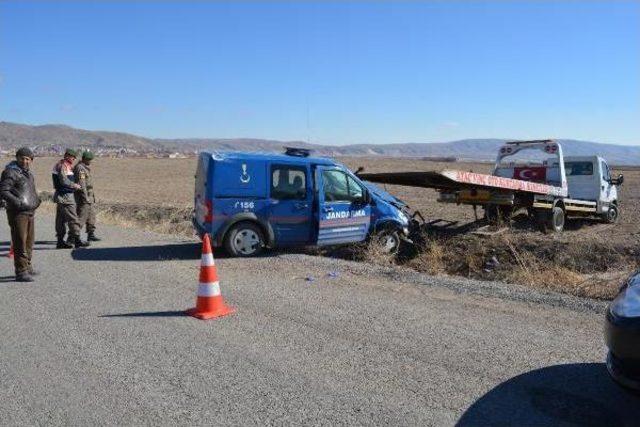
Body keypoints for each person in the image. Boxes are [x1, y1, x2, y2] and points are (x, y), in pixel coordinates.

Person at [0, 147, 41, 282]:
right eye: (22, 158)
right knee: (20, 242)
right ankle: (21, 271)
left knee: (29, 241)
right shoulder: (10, 172)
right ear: (17, 158)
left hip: (29, 211)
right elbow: (4, 191)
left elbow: (30, 190)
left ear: (31, 160)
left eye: (28, 159)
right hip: (18, 212)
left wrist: (36, 200)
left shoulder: (27, 174)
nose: (25, 161)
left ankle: (27, 266)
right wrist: (18, 203)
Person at [52, 149, 89, 249]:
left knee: (60, 220)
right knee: (73, 218)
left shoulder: (63, 164)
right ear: (67, 156)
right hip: (66, 196)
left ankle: (60, 241)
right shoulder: (63, 166)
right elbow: (63, 180)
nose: (74, 159)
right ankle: (77, 240)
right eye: (73, 157)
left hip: (62, 196)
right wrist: (74, 185)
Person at [74, 151, 100, 241]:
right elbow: (82, 184)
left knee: (91, 216)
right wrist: (85, 197)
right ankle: (74, 236)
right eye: (89, 160)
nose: (90, 161)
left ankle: (91, 234)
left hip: (90, 196)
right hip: (84, 197)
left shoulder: (86, 168)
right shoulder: (81, 169)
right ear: (85, 159)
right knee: (82, 216)